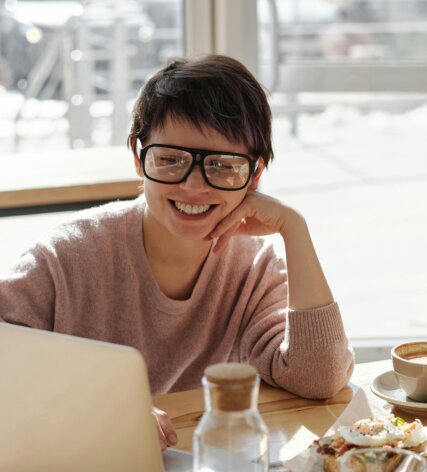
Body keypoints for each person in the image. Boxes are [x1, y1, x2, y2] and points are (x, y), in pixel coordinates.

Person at [0, 55, 354, 449]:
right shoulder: (65, 257)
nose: (192, 186)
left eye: (222, 166)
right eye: (170, 160)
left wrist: (294, 229)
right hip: (74, 467)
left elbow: (319, 378)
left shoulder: (253, 269)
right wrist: (102, 403)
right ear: (138, 156)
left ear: (254, 175)